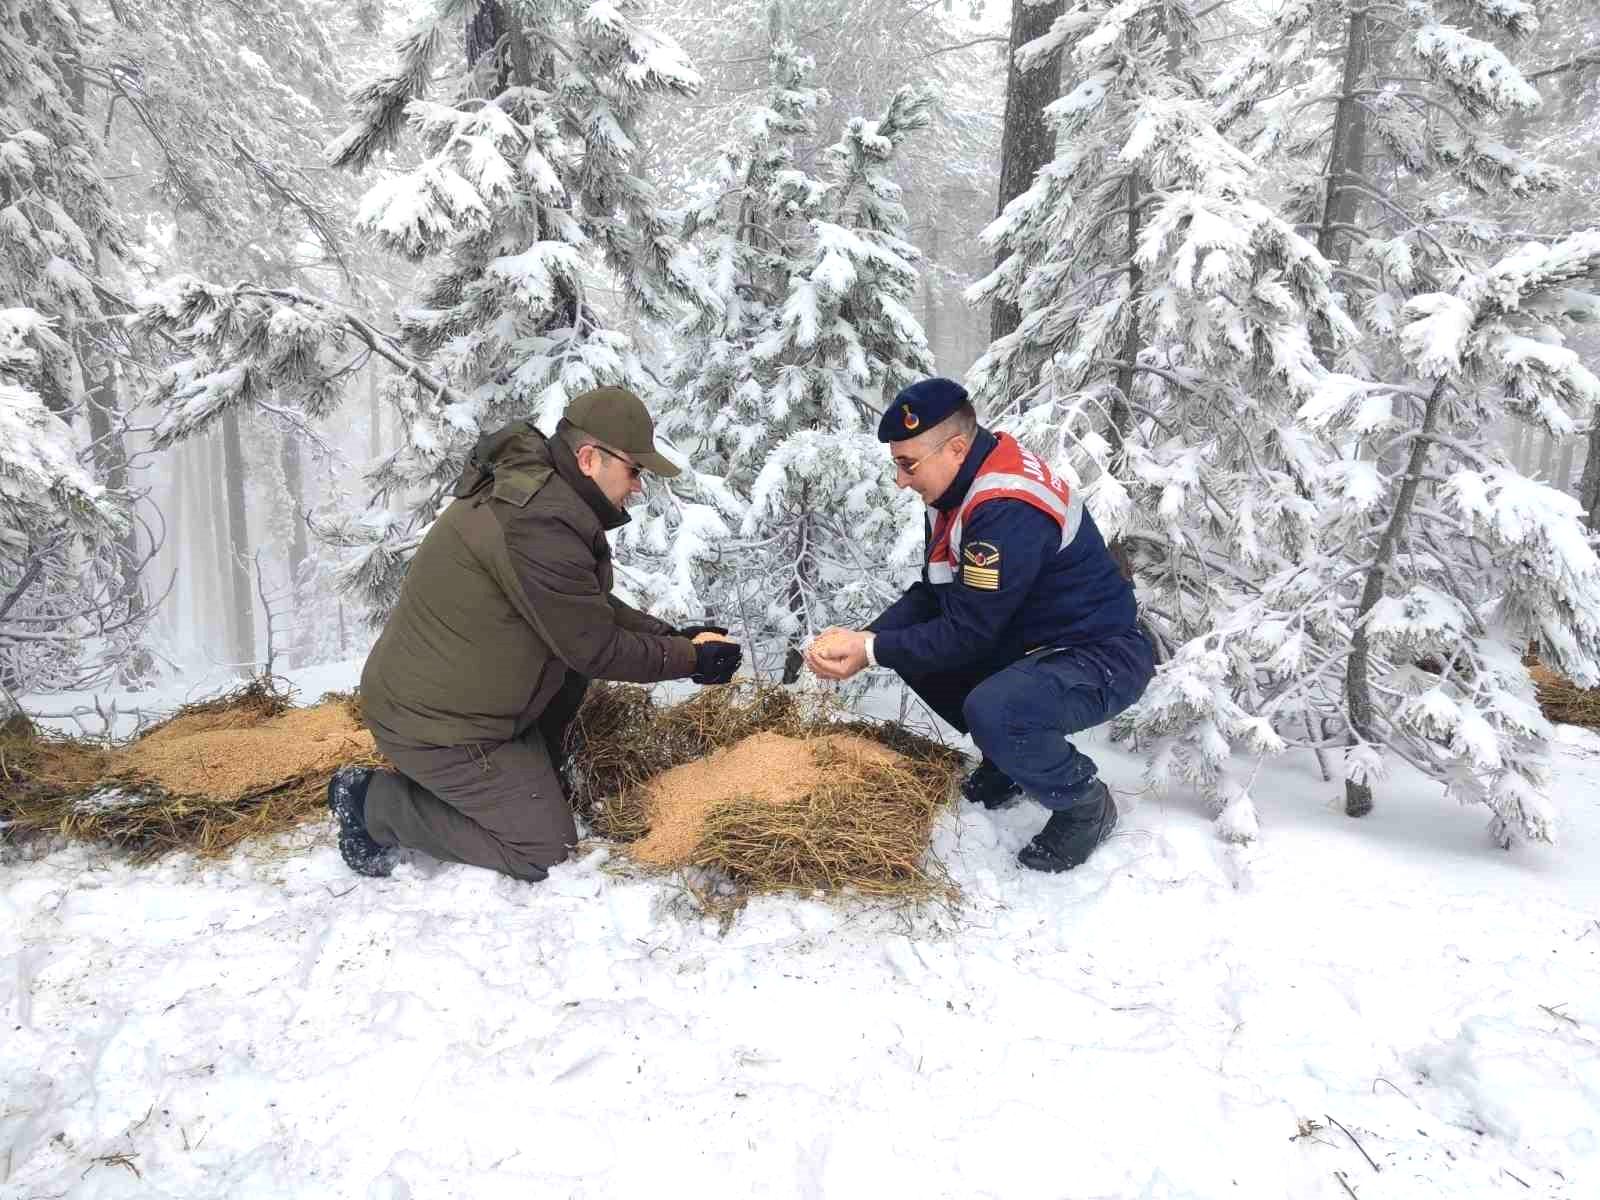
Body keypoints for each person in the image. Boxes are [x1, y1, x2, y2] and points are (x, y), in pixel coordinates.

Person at [328, 386, 741, 882]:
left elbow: (579, 607)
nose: (637, 487)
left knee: (565, 665)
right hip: (438, 728)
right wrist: (689, 660)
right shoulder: (537, 521)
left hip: (463, 705)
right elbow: (595, 646)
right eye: (635, 471)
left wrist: (673, 635)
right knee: (543, 847)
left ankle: (523, 773)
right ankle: (372, 803)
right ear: (589, 459)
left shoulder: (542, 497)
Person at [806, 377, 1154, 872]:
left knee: (992, 706)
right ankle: (1008, 762)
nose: (901, 480)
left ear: (954, 448)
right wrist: (866, 639)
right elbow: (934, 591)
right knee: (907, 650)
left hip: (1099, 655)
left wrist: (871, 651)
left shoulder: (1004, 507)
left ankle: (1084, 804)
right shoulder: (958, 487)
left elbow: (968, 633)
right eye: (895, 465)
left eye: (907, 464)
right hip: (1036, 642)